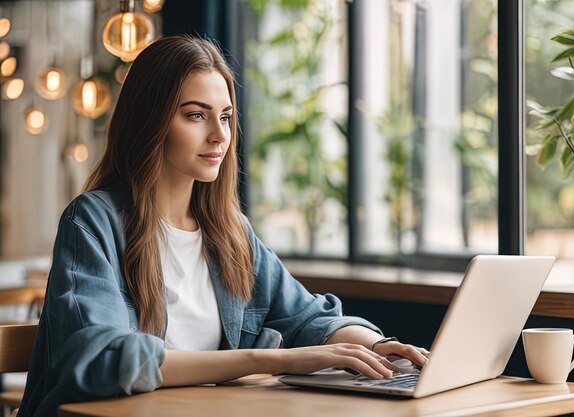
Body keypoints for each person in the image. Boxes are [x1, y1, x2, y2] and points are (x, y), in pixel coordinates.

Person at [17, 35, 429, 417]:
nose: (219, 135)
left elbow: (307, 318)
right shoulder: (93, 220)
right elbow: (102, 359)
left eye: (227, 117)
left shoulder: (229, 232)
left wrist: (378, 346)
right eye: (196, 115)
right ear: (149, 122)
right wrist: (275, 361)